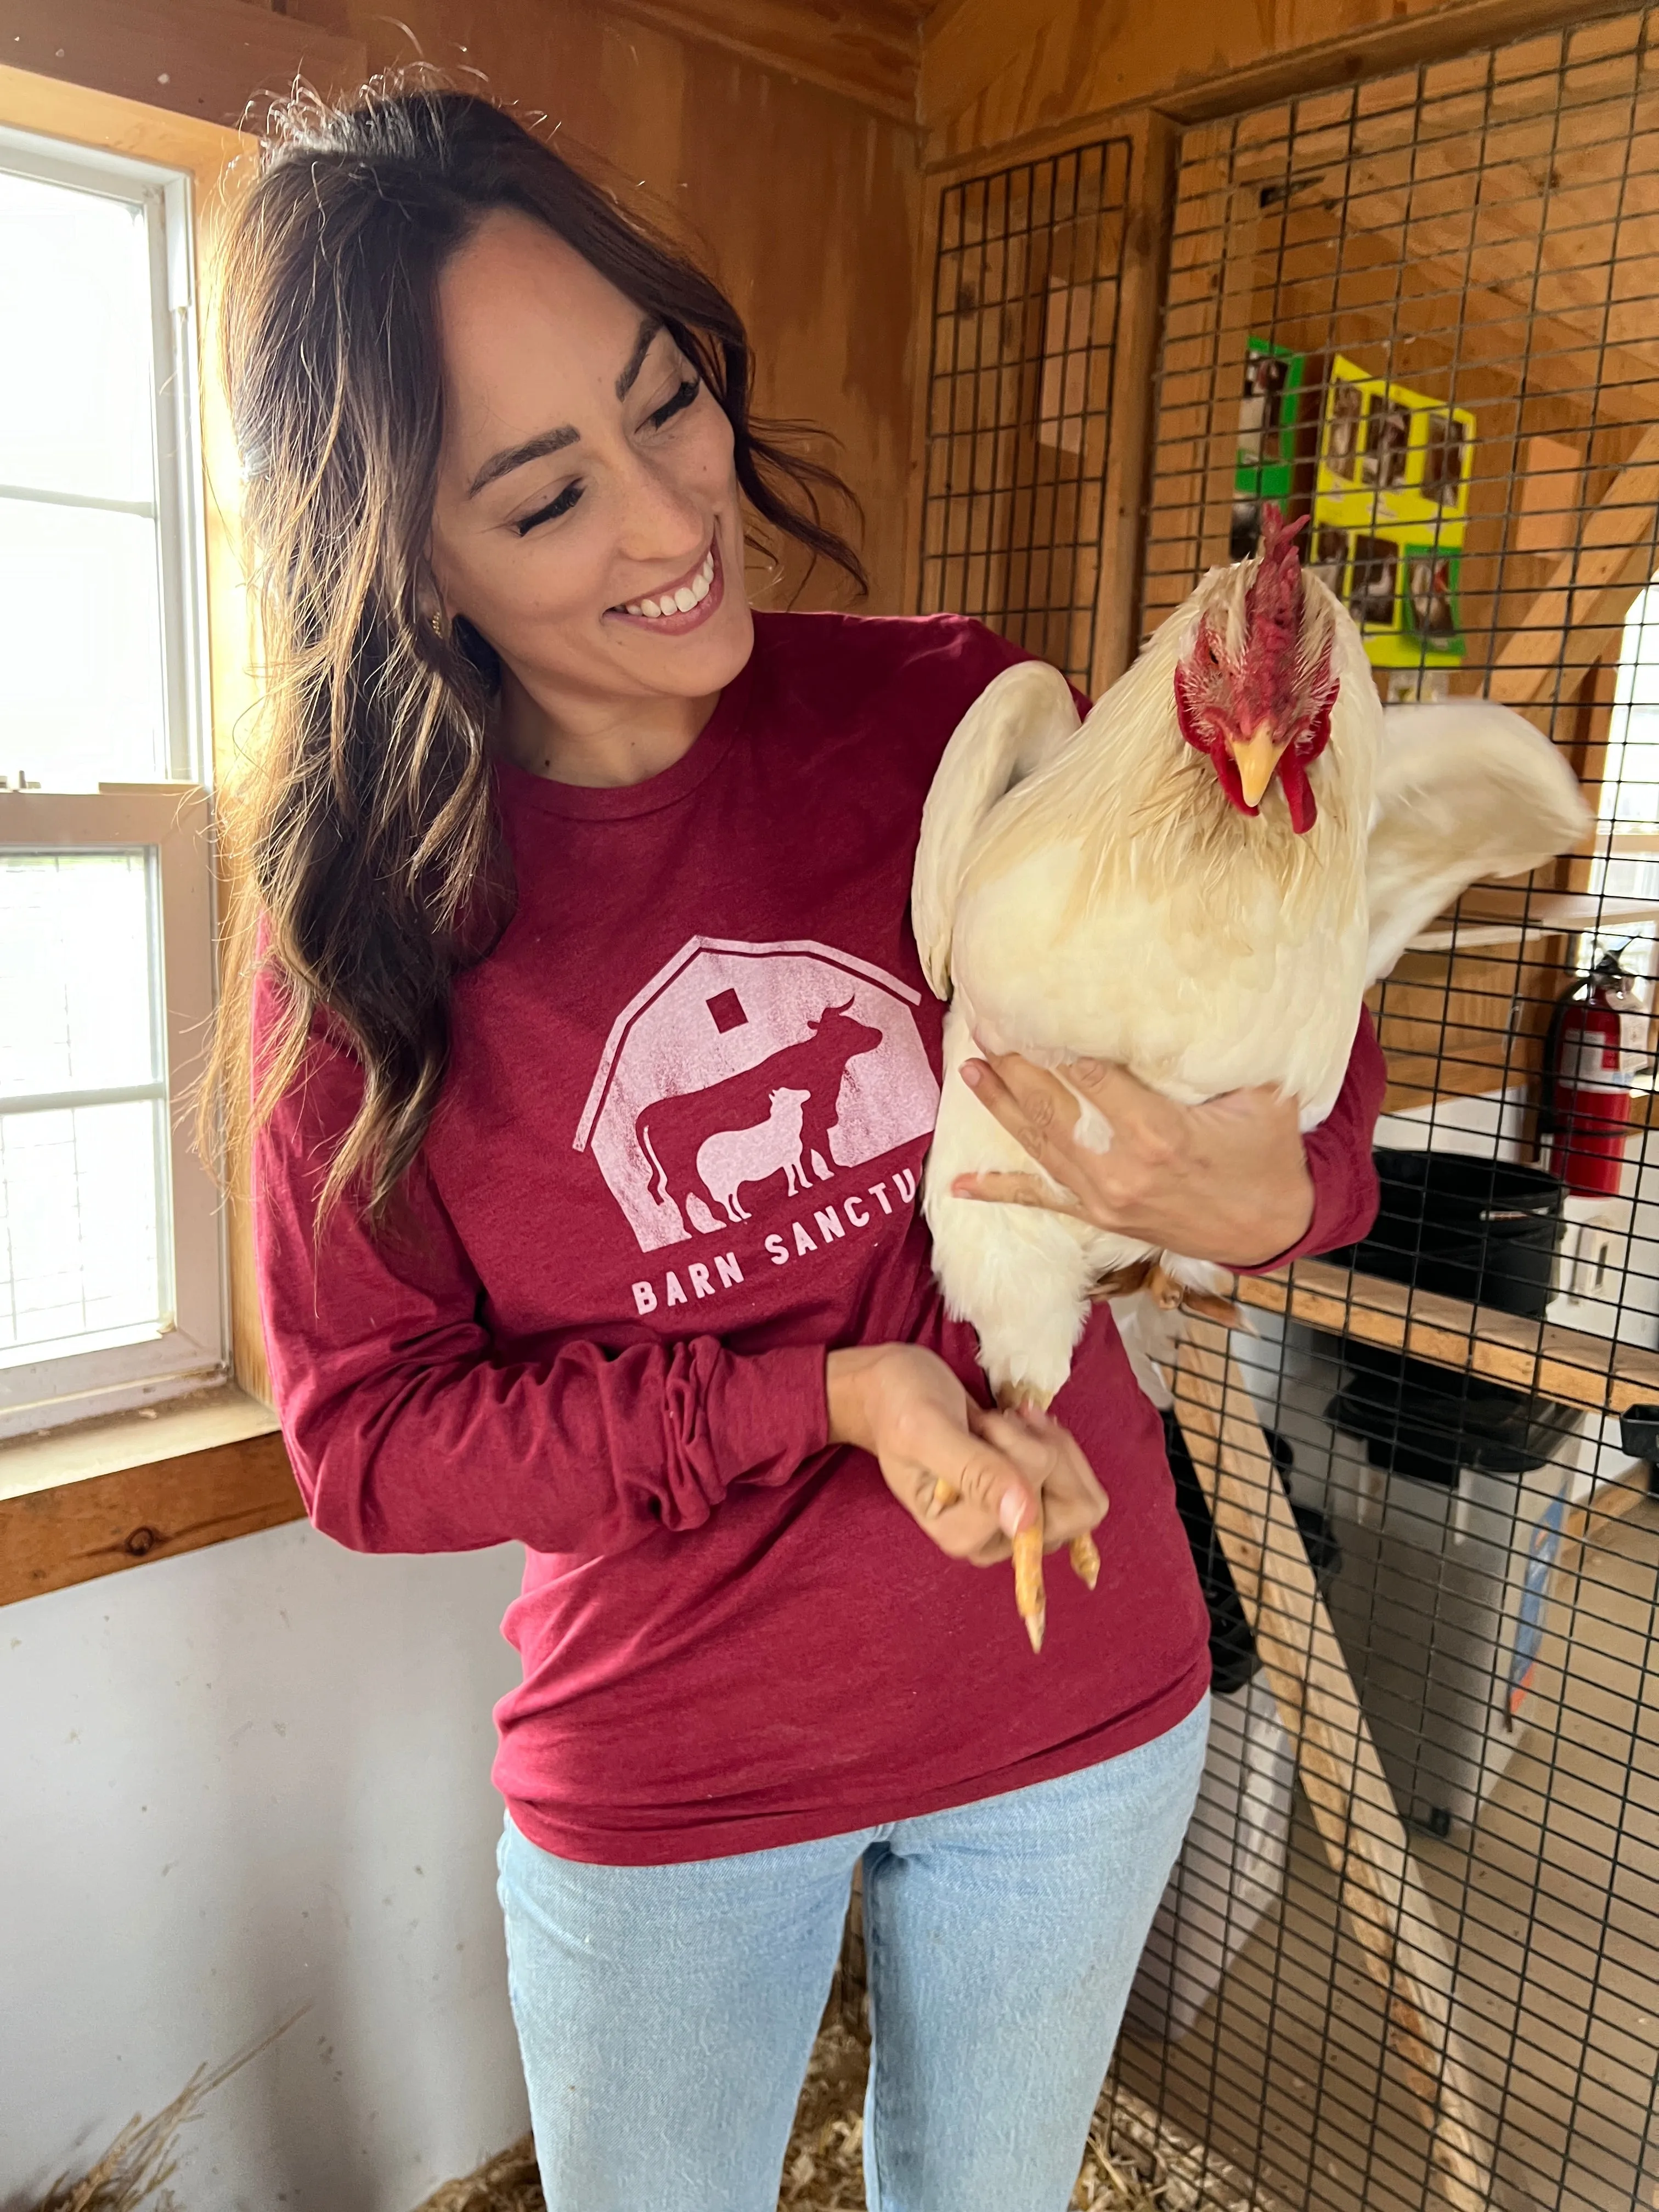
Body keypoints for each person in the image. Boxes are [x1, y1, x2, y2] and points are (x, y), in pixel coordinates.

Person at [214, 82, 1385, 2212]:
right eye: (550, 497)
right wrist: (831, 1396)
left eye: (674, 409)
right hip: (676, 1763)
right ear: (407, 557)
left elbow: (1285, 1030)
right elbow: (371, 1449)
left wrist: (1282, 1193)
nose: (674, 524)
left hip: (1081, 1696)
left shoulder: (950, 715)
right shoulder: (368, 931)